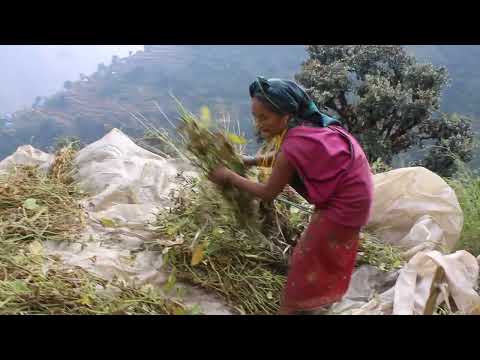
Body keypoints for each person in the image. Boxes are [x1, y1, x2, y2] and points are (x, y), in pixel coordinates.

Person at [209, 76, 374, 315]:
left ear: (285, 115)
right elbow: (287, 162)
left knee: (304, 259)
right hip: (357, 195)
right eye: (255, 117)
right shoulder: (310, 126)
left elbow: (268, 193)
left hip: (344, 206)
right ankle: (319, 298)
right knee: (323, 252)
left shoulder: (294, 144)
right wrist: (251, 161)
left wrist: (229, 177)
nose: (259, 124)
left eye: (264, 117)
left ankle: (291, 307)